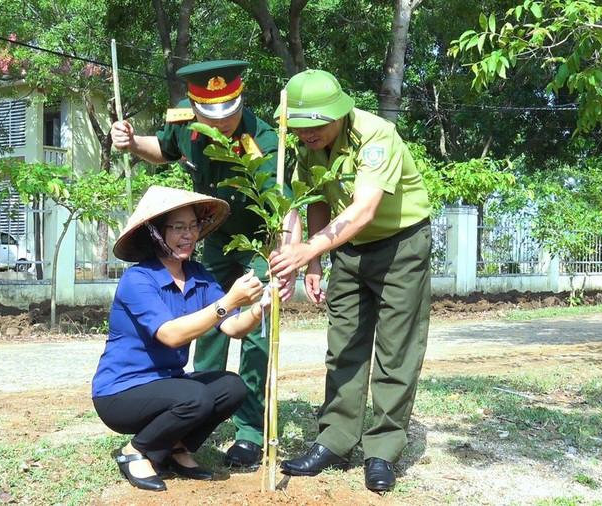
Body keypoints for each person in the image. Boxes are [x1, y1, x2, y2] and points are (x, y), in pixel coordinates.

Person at [111, 59, 299, 471]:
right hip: (212, 240)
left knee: (255, 334)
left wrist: (290, 258)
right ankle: (193, 420)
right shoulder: (184, 121)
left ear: (240, 100)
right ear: (195, 108)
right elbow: (163, 150)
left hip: (257, 244)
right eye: (211, 114)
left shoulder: (264, 141)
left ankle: (250, 432)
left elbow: (286, 210)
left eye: (230, 112)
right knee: (208, 324)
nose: (222, 121)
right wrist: (132, 142)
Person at [267, 69, 432, 492]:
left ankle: (383, 450)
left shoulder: (376, 136)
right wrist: (311, 263)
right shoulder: (308, 147)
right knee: (343, 346)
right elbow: (317, 200)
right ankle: (335, 440)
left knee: (396, 349)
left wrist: (308, 249)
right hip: (347, 249)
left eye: (316, 125)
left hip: (400, 245)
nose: (307, 134)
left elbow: (362, 211)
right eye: (299, 126)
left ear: (339, 114)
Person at [91, 185, 270, 491]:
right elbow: (171, 335)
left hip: (167, 385)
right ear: (155, 233)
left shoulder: (198, 275)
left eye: (193, 226)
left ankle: (174, 446)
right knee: (196, 398)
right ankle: (135, 450)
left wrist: (259, 308)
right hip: (121, 392)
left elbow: (233, 327)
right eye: (178, 228)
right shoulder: (137, 279)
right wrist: (229, 301)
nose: (188, 235)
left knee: (231, 387)